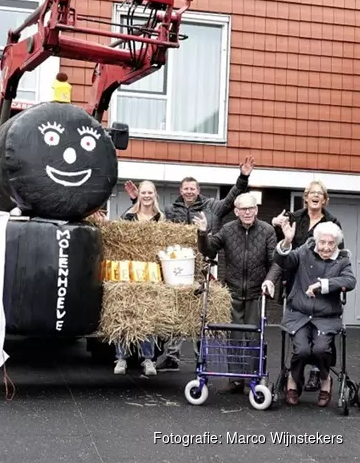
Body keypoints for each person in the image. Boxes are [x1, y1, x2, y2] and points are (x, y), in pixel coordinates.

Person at [125, 155, 256, 372]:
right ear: (180, 190)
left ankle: (199, 356)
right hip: (176, 266)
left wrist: (243, 176)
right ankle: (172, 356)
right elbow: (148, 220)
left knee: (199, 311)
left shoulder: (212, 207)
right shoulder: (170, 210)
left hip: (202, 265)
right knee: (177, 308)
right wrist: (134, 201)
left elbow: (234, 196)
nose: (188, 191)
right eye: (185, 188)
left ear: (198, 189)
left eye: (192, 188)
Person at [195, 193, 281, 393]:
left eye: (251, 208)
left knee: (253, 339)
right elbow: (208, 251)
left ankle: (251, 378)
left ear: (256, 210)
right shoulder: (227, 229)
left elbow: (275, 262)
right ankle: (235, 379)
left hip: (255, 292)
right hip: (232, 291)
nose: (248, 212)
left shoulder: (267, 231)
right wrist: (202, 233)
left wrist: (269, 280)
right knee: (233, 338)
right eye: (243, 209)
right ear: (236, 211)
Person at [272, 180, 342, 393]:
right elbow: (283, 245)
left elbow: (339, 253)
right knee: (300, 327)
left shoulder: (332, 221)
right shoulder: (294, 218)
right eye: (312, 193)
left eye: (319, 194)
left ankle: (317, 371)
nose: (315, 196)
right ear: (305, 197)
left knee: (322, 329)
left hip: (323, 280)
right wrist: (276, 225)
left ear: (325, 199)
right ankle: (297, 373)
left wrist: (330, 282)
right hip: (297, 278)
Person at [274, 221, 355, 407]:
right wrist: (286, 242)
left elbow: (350, 281)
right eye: (323, 242)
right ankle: (294, 381)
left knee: (320, 349)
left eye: (331, 243)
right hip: (299, 314)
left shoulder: (342, 260)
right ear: (316, 241)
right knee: (301, 350)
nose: (326, 247)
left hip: (326, 318)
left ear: (336, 244)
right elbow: (283, 261)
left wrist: (323, 285)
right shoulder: (304, 251)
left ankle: (325, 380)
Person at [114, 181, 165, 376]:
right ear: (139, 194)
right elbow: (119, 240)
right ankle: (121, 358)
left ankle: (148, 359)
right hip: (130, 271)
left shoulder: (160, 218)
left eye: (149, 192)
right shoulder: (129, 216)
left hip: (151, 272)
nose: (146, 196)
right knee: (125, 313)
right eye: (143, 192)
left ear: (155, 194)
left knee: (147, 316)